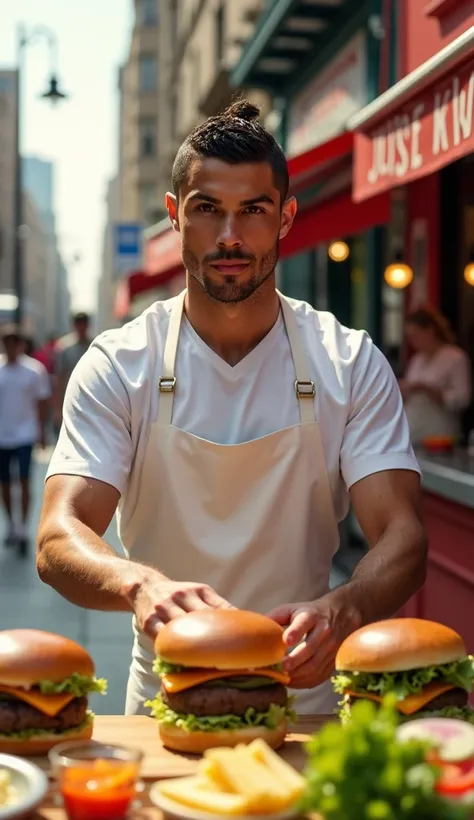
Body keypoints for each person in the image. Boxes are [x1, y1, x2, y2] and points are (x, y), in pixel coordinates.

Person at [37, 100, 426, 716]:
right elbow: (59, 537)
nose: (229, 237)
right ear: (174, 217)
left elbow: (401, 535)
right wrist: (141, 586)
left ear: (286, 218)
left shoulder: (347, 360)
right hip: (166, 699)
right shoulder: (119, 363)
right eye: (207, 209)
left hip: (308, 701)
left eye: (253, 211)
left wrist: (343, 608)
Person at [0, 332, 51, 554]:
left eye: (14, 344)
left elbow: (42, 401)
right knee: (5, 483)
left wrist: (41, 431)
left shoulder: (34, 370)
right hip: (2, 436)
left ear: (21, 345)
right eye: (6, 345)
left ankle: (23, 528)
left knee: (24, 480)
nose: (10, 349)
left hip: (24, 435)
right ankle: (11, 523)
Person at [399, 307, 472, 445]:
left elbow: (462, 399)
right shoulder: (417, 360)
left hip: (441, 436)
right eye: (410, 337)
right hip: (413, 433)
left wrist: (427, 389)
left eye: (416, 335)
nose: (413, 341)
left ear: (430, 331)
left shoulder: (455, 358)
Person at [53, 313, 91, 429]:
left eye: (83, 324)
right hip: (69, 397)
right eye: (79, 324)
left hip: (89, 398)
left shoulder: (93, 346)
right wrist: (58, 409)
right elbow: (59, 378)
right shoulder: (65, 347)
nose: (81, 327)